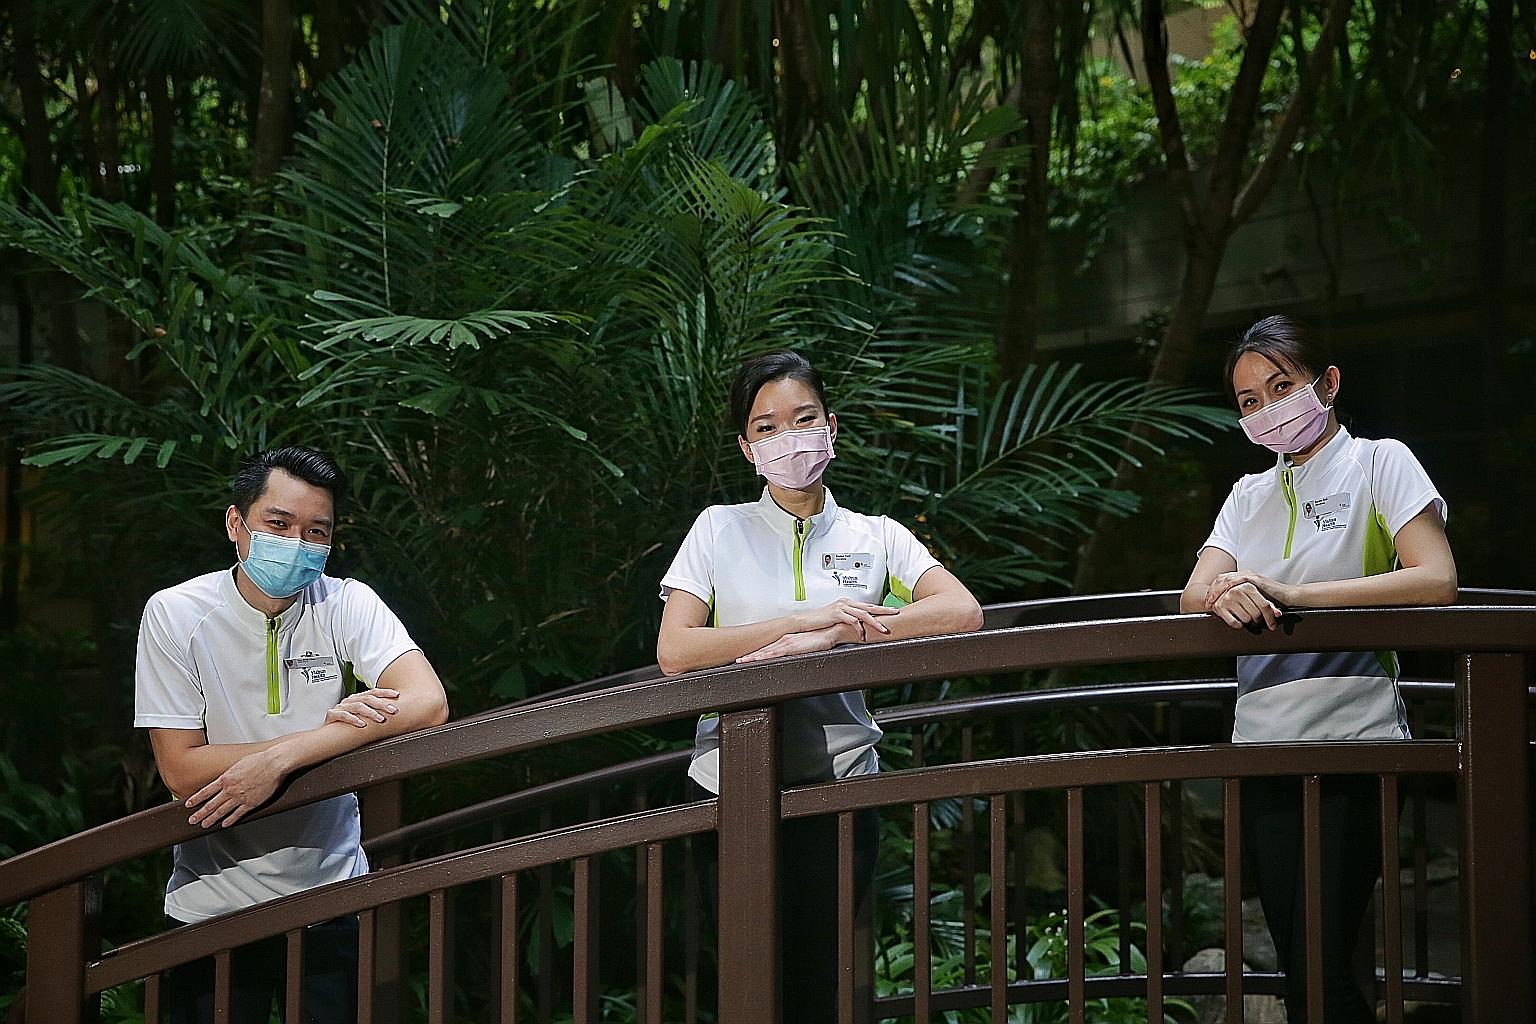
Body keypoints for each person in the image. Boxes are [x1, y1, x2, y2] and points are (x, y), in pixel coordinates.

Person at [656, 350, 984, 1020]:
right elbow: (676, 650)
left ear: (831, 427)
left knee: (820, 985)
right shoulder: (718, 529)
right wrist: (797, 623)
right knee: (747, 982)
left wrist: (840, 634)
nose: (789, 438)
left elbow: (961, 611)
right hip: (729, 785)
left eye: (804, 419)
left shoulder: (877, 536)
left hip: (841, 787)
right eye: (767, 427)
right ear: (747, 448)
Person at [1179, 316, 1456, 1023]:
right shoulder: (1246, 495)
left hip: (1354, 745)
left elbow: (1436, 577)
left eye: (1282, 387)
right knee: (1304, 970)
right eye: (1249, 400)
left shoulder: (1380, 462)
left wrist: (1294, 595)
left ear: (1327, 383)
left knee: (1318, 969)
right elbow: (1191, 596)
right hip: (1263, 749)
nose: (1267, 409)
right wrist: (1225, 592)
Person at [134, 446, 450, 1024]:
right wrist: (329, 731)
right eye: (278, 524)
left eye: (315, 532)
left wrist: (285, 757)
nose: (297, 544)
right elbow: (181, 768)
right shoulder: (176, 613)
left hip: (332, 893)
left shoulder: (346, 601)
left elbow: (428, 703)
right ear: (236, 523)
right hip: (212, 903)